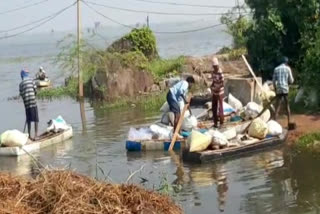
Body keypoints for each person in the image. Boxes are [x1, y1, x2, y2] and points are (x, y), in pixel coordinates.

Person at [273, 56, 294, 126]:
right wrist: (289, 83)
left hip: (278, 89)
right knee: (287, 106)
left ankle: (275, 123)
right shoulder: (288, 69)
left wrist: (276, 89)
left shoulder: (276, 69)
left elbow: (273, 81)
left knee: (277, 106)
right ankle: (289, 122)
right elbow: (291, 80)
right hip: (285, 89)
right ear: (286, 62)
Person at [19, 69, 39, 140]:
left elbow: (21, 94)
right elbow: (35, 90)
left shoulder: (20, 84)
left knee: (29, 120)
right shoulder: (31, 80)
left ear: (22, 76)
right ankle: (36, 135)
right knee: (36, 119)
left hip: (26, 104)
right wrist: (34, 96)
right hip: (33, 102)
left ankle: (29, 136)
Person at [211, 57, 225, 128]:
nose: (215, 68)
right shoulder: (213, 72)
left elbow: (222, 83)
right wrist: (212, 86)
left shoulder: (220, 72)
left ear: (217, 66)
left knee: (220, 107)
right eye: (214, 67)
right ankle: (215, 122)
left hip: (219, 92)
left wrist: (218, 88)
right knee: (214, 107)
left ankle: (221, 122)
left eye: (215, 66)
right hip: (214, 91)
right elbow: (213, 81)